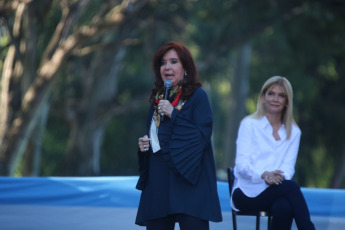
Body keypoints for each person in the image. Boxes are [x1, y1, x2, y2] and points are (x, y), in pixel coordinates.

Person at [135, 41, 222, 230]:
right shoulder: (157, 100)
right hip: (159, 181)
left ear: (185, 68)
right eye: (163, 63)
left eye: (173, 62)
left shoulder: (198, 97)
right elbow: (159, 139)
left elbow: (201, 137)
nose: (167, 67)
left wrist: (174, 114)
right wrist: (144, 146)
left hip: (189, 181)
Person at [231, 76, 315, 230]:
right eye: (271, 94)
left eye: (281, 95)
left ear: (287, 101)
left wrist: (277, 177)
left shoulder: (294, 132)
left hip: (278, 190)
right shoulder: (249, 125)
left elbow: (288, 169)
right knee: (292, 187)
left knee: (284, 207)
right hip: (247, 192)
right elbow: (241, 166)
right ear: (264, 97)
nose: (275, 99)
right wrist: (264, 175)